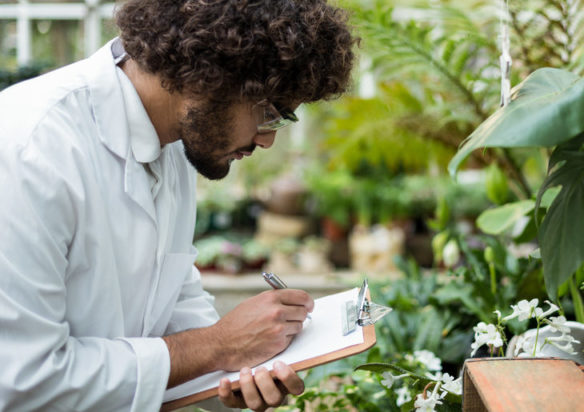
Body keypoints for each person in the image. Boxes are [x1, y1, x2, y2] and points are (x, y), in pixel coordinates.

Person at [0, 0, 356, 410]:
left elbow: (173, 297)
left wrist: (242, 365)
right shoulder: (30, 149)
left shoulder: (174, 142)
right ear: (210, 74)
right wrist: (217, 346)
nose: (267, 140)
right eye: (270, 113)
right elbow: (24, 379)